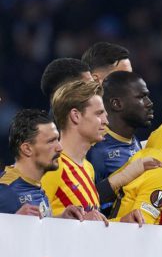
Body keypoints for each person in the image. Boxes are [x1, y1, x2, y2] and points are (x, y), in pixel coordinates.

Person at [40, 80, 146, 223]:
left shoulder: (88, 168)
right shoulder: (51, 166)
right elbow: (30, 224)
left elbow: (92, 226)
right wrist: (65, 220)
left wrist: (123, 222)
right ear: (75, 116)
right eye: (99, 114)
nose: (106, 121)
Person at [0, 109, 84, 219]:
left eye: (57, 140)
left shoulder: (34, 185)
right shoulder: (5, 189)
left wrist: (61, 219)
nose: (60, 148)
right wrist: (13, 222)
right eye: (51, 141)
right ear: (27, 149)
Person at [87, 71, 154, 183]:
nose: (149, 103)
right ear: (117, 104)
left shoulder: (130, 138)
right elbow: (91, 197)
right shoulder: (97, 149)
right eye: (141, 97)